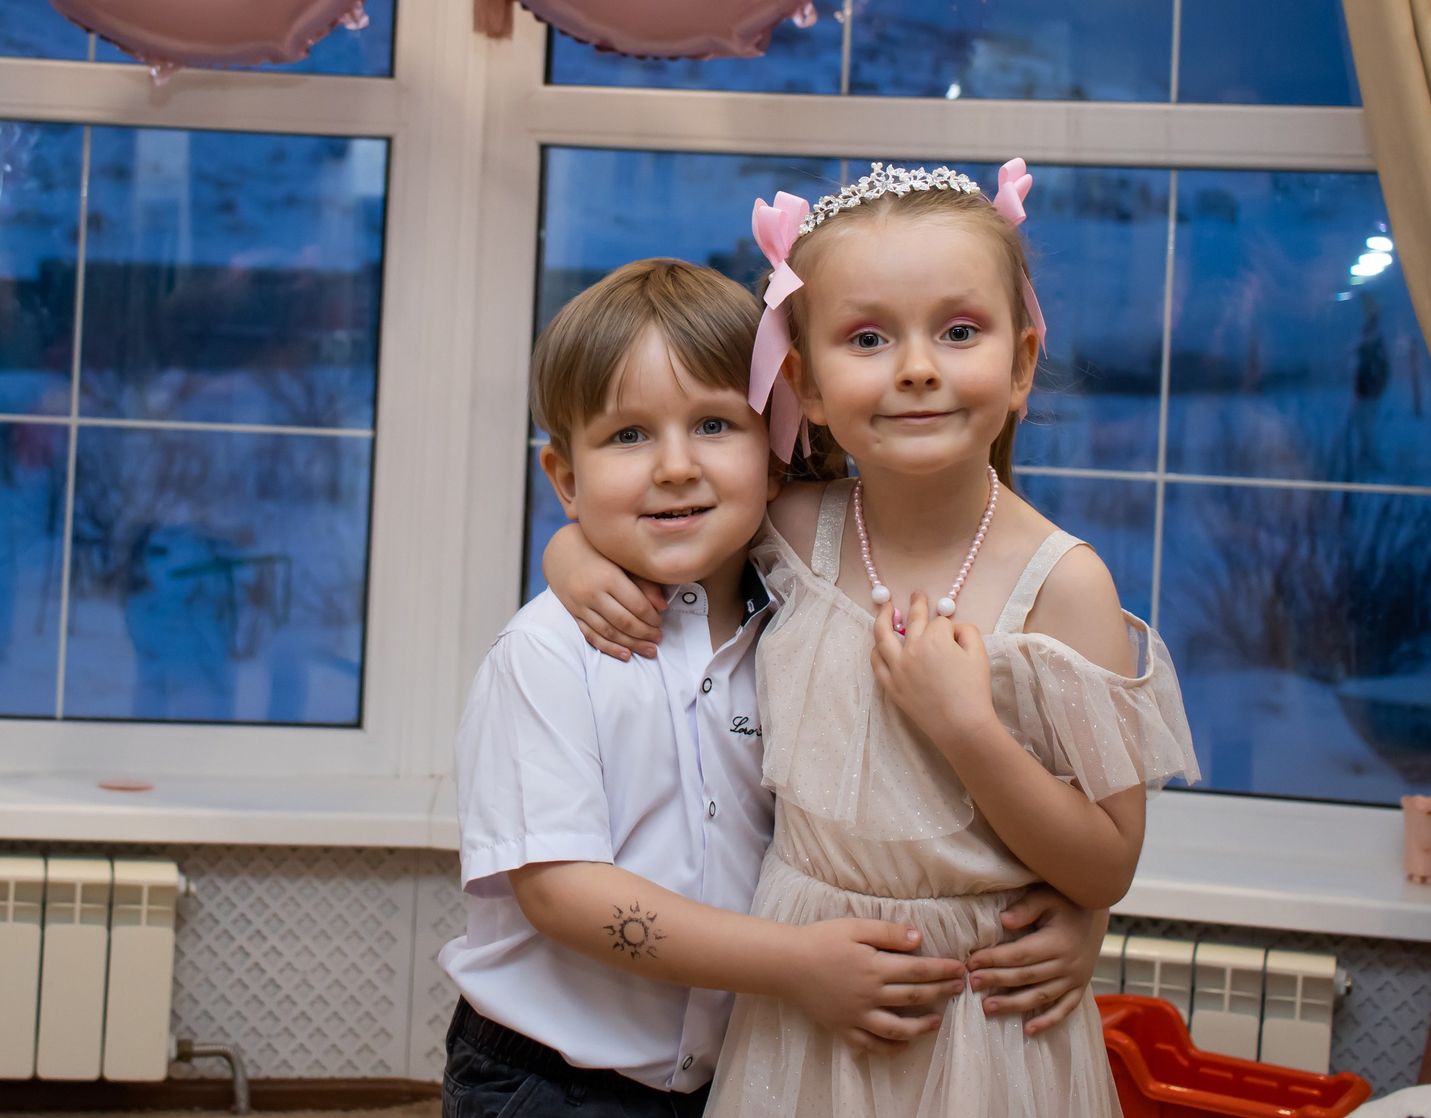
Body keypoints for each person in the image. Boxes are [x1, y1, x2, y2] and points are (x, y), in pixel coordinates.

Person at [546, 165, 1197, 1118]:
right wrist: (570, 553)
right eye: (868, 338)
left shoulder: (1063, 587)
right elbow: (659, 520)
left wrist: (966, 728)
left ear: (1021, 364)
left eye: (959, 332)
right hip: (801, 1016)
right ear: (804, 383)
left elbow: (1105, 866)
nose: (918, 367)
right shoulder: (787, 530)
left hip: (979, 1026)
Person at [440, 258, 1103, 1118]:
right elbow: (562, 894)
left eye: (714, 425)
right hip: (548, 1082)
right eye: (629, 436)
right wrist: (796, 965)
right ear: (566, 480)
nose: (675, 466)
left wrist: (1075, 908)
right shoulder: (546, 652)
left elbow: (908, 808)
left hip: (734, 1074)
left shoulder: (808, 621)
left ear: (776, 459)